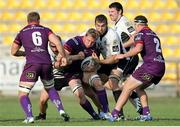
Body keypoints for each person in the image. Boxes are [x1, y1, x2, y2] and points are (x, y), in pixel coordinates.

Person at [11, 12, 69, 123]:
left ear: (27, 21)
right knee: (50, 88)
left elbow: (13, 51)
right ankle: (61, 110)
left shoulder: (22, 32)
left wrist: (25, 53)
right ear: (38, 20)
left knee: (23, 93)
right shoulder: (45, 30)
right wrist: (63, 56)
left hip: (32, 64)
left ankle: (29, 116)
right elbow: (57, 42)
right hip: (47, 64)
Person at [108, 15, 165, 121]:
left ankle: (115, 114)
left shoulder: (141, 34)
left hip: (150, 67)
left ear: (138, 24)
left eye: (135, 25)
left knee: (126, 87)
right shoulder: (154, 34)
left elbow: (138, 48)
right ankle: (146, 114)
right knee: (139, 88)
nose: (135, 27)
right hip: (160, 67)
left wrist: (124, 55)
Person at [35, 35, 103, 120]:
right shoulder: (45, 51)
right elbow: (56, 65)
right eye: (53, 46)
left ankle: (101, 113)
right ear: (49, 44)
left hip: (71, 73)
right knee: (42, 100)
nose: (55, 49)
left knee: (86, 94)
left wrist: (75, 58)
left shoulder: (67, 44)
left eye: (57, 46)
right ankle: (42, 115)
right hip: (56, 76)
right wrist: (64, 62)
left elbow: (77, 56)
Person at [93, 14, 142, 119]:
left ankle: (119, 115)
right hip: (107, 61)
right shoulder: (93, 34)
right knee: (95, 82)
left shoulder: (112, 35)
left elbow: (115, 58)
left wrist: (99, 62)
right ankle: (103, 113)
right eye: (98, 26)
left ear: (106, 25)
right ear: (95, 25)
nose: (100, 28)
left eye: (103, 26)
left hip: (120, 61)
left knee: (113, 82)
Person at [108, 2, 143, 116]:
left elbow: (135, 37)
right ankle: (141, 110)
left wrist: (123, 47)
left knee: (114, 82)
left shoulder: (124, 21)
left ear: (120, 12)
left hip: (129, 58)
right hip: (125, 58)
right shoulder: (116, 25)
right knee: (126, 86)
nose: (110, 14)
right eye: (109, 12)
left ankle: (118, 114)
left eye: (112, 12)